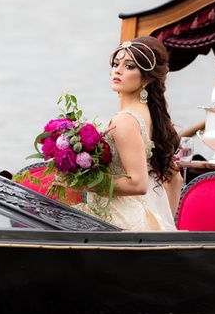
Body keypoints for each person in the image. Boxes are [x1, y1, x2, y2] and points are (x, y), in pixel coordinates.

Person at [77, 36, 183, 231]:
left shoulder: (124, 120)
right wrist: (165, 225)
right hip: (137, 218)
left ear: (148, 77)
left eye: (129, 66)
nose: (117, 70)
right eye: (116, 64)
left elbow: (138, 183)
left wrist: (85, 184)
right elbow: (175, 178)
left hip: (116, 222)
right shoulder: (150, 116)